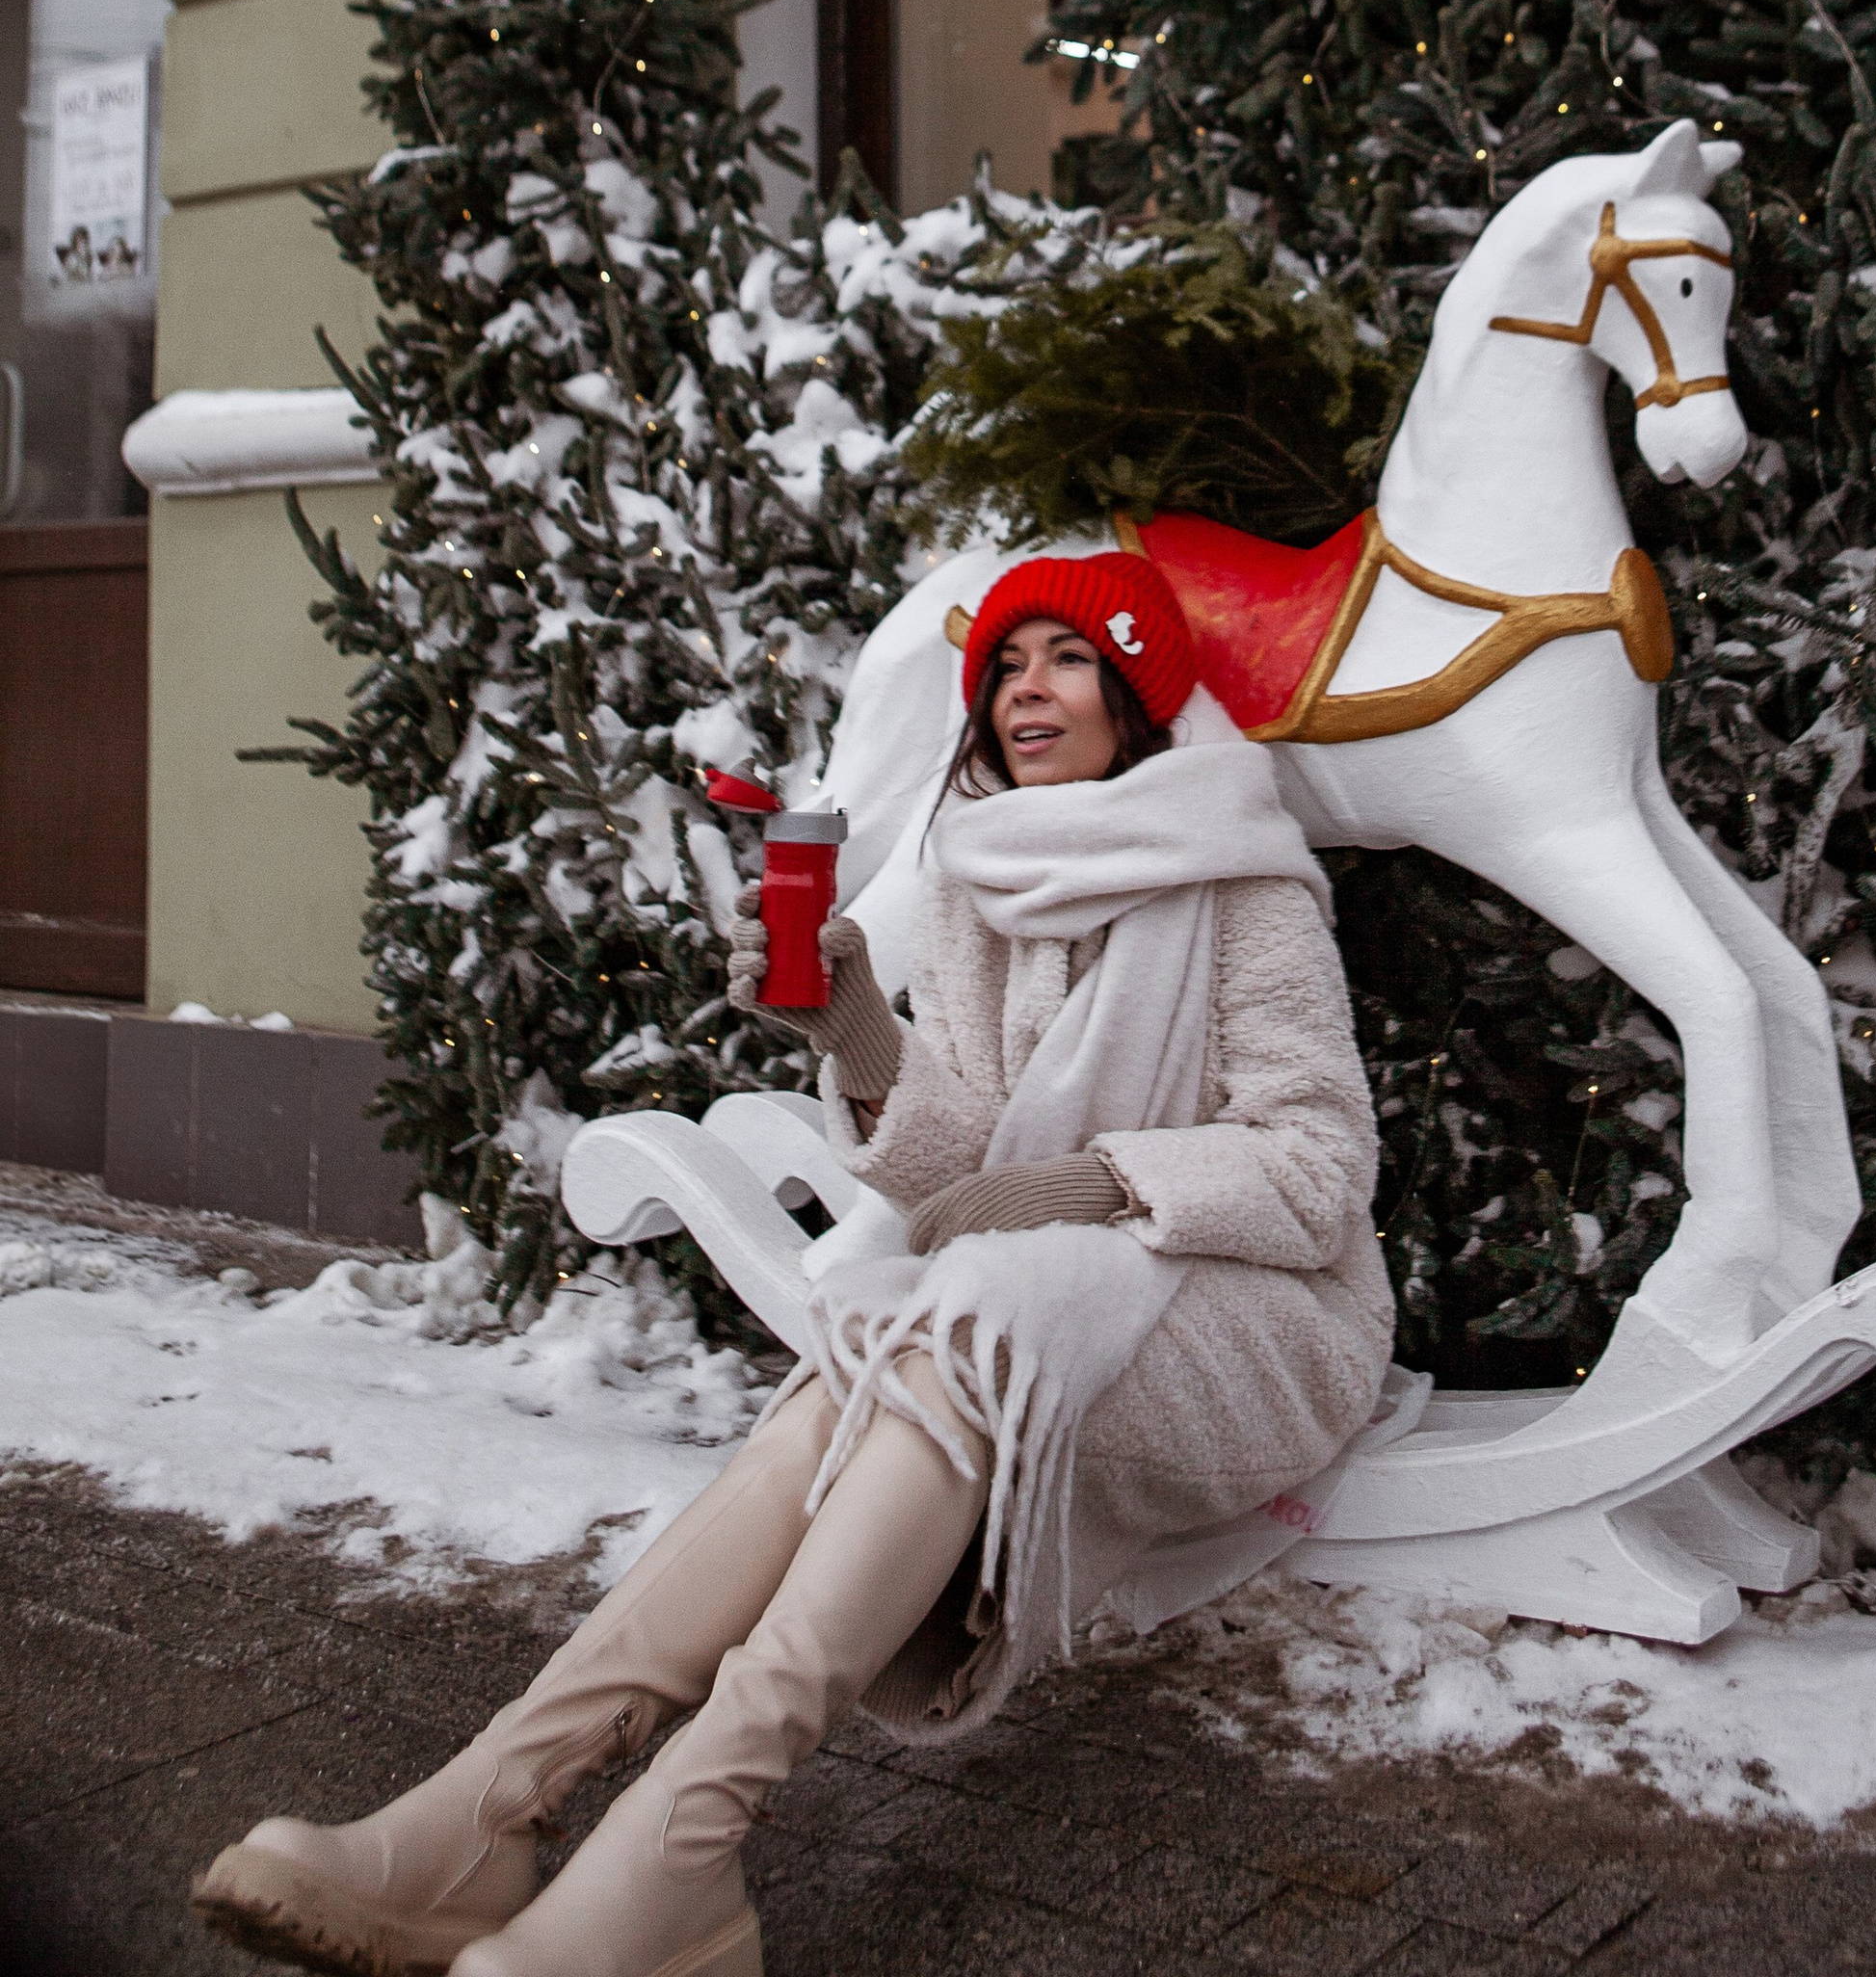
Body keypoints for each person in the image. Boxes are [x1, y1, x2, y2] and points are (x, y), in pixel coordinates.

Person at [192, 550, 1393, 1977]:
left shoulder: (1234, 877)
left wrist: (1087, 1183)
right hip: (1023, 1309)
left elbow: (1318, 1172)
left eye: (1067, 659)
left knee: (952, 1333)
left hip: (1263, 1320)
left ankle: (680, 1845)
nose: (1027, 691)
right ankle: (497, 1807)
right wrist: (862, 1036)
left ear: (1135, 693)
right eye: (1006, 669)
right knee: (873, 1362)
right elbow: (968, 1175)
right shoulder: (979, 880)